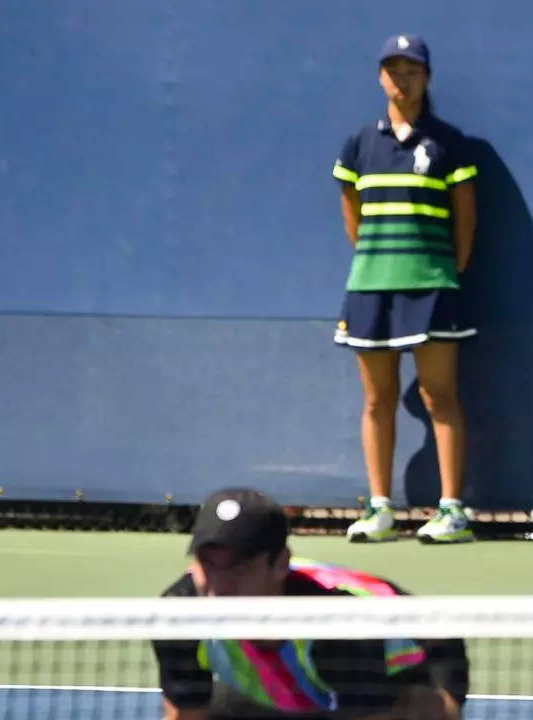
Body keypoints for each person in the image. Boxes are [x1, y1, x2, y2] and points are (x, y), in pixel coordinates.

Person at [332, 34, 478, 545]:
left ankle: (453, 512)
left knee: (440, 396)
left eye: (411, 69)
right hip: (370, 289)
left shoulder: (449, 143)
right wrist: (376, 262)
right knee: (377, 401)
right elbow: (352, 212)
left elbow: (466, 223)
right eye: (393, 70)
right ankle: (380, 510)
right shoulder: (358, 144)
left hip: (432, 288)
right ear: (380, 78)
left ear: (427, 78)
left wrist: (442, 270)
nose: (402, 78)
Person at [152, 488, 469, 719]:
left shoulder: (340, 623)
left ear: (279, 564)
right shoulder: (179, 613)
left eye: (239, 566)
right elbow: (185, 714)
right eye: (208, 563)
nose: (220, 583)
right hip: (280, 683)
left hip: (413, 662)